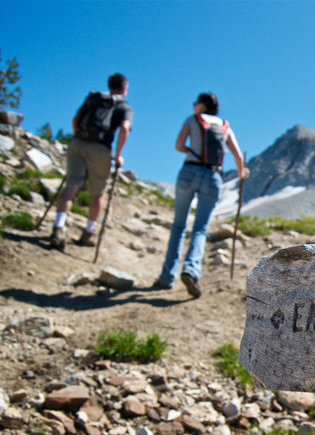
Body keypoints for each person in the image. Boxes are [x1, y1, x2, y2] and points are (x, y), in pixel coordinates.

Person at [154, 92, 249, 298]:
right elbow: (238, 156)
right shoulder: (225, 125)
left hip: (190, 170)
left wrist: (191, 151)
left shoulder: (192, 120)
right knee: (200, 228)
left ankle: (167, 276)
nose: (193, 106)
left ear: (202, 105)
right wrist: (242, 172)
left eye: (195, 102)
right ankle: (191, 270)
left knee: (179, 225)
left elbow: (178, 145)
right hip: (213, 176)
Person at [49, 73, 132, 250]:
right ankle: (87, 233)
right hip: (100, 148)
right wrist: (118, 155)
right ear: (124, 89)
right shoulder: (124, 107)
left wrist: (77, 137)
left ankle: (58, 228)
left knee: (70, 186)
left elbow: (75, 120)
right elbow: (125, 128)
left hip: (78, 143)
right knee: (98, 193)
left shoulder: (94, 98)